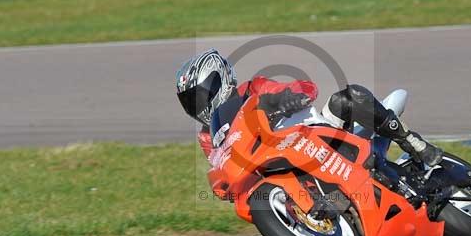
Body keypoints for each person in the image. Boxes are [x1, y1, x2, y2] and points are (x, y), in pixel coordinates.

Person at [175, 49, 442, 166]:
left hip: (317, 136)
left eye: (201, 94)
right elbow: (221, 174)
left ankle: (413, 143)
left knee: (349, 98)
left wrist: (290, 98)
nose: (198, 105)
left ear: (221, 78)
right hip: (275, 169)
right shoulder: (207, 136)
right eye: (191, 101)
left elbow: (307, 88)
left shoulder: (254, 89)